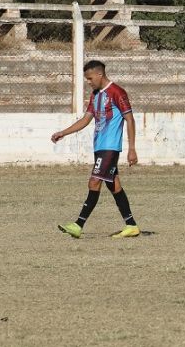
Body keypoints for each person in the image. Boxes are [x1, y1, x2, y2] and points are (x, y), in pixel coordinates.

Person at [51, 60, 140, 239]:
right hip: (100, 147)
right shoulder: (95, 95)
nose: (89, 82)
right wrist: (64, 132)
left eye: (90, 78)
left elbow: (130, 119)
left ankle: (78, 225)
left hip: (110, 147)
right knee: (114, 185)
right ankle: (131, 225)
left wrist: (132, 148)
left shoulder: (117, 92)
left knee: (93, 182)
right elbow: (85, 120)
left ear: (100, 74)